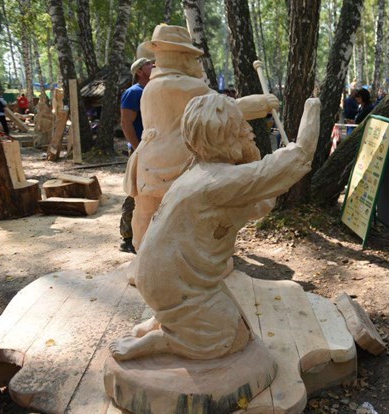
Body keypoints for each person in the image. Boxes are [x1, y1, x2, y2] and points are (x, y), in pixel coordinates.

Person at [110, 94, 321, 361]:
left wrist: (259, 108)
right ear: (228, 137)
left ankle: (167, 319)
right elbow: (298, 158)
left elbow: (258, 202)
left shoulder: (199, 166)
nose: (250, 133)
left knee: (232, 318)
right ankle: (163, 340)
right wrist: (312, 107)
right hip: (173, 283)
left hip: (160, 276)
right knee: (232, 338)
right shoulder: (221, 181)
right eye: (244, 129)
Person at [125, 24, 279, 251]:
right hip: (177, 164)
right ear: (180, 57)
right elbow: (222, 108)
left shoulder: (151, 87)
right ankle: (186, 264)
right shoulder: (184, 85)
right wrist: (263, 104)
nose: (197, 64)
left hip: (146, 166)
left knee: (146, 216)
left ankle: (145, 259)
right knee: (191, 217)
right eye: (192, 58)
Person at [118, 57, 154, 254]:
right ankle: (127, 236)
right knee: (136, 190)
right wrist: (138, 147)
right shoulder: (133, 93)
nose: (153, 66)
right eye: (149, 64)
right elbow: (126, 123)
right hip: (141, 148)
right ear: (140, 71)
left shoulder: (154, 91)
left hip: (155, 148)